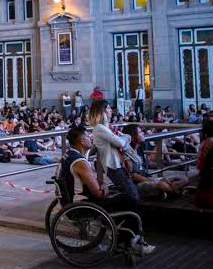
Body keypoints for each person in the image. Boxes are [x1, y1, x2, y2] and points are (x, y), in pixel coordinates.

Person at [60, 126, 155, 254]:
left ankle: (124, 237)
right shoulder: (80, 162)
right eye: (88, 136)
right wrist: (103, 186)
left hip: (72, 201)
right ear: (82, 141)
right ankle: (127, 241)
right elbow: (98, 193)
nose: (91, 138)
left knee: (120, 197)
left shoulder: (67, 156)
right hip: (83, 205)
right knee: (130, 199)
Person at [90, 100, 139, 203]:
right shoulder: (100, 128)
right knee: (132, 195)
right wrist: (127, 137)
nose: (111, 110)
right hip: (113, 165)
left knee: (130, 193)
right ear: (101, 112)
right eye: (107, 108)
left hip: (118, 163)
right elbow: (121, 143)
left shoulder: (108, 127)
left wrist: (123, 139)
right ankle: (105, 209)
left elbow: (120, 141)